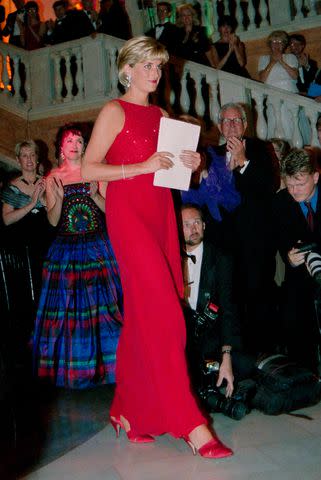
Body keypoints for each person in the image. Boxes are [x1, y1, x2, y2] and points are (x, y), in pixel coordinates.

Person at [81, 36, 233, 458]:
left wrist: (192, 165)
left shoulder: (161, 114)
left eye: (158, 66)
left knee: (143, 317)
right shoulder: (114, 110)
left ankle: (126, 410)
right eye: (147, 64)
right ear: (127, 68)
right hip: (128, 217)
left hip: (161, 213)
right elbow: (87, 168)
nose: (155, 72)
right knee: (167, 313)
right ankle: (190, 423)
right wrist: (141, 166)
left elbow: (171, 178)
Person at [32, 123, 123, 389]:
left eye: (80, 141)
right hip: (66, 251)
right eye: (69, 140)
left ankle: (114, 368)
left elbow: (110, 212)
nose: (75, 144)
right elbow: (52, 220)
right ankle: (77, 373)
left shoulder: (96, 172)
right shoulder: (53, 178)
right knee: (68, 311)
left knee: (106, 310)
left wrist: (95, 195)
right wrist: (57, 199)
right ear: (61, 147)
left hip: (98, 247)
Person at [182, 103, 277, 355]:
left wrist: (244, 162)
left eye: (237, 121)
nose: (232, 125)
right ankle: (233, 357)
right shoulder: (211, 153)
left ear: (245, 124)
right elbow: (202, 194)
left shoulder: (260, 148)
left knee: (258, 301)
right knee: (228, 302)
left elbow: (268, 187)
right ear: (220, 127)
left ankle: (262, 357)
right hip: (223, 242)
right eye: (226, 121)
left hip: (255, 242)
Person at [181, 204, 248, 398]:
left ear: (204, 225)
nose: (193, 229)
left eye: (197, 223)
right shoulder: (171, 256)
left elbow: (228, 309)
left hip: (212, 338)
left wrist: (226, 355)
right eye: (186, 224)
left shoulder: (221, 258)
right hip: (181, 338)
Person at [272, 148, 321, 373]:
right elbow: (282, 241)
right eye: (289, 184)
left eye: (300, 184)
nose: (294, 191)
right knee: (293, 317)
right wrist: (289, 258)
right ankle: (307, 377)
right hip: (300, 277)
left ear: (316, 176)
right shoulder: (282, 201)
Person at [1, 140, 52, 298]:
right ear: (18, 159)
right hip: (24, 249)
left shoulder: (48, 182)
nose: (29, 159)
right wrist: (31, 204)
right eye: (24, 155)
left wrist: (45, 201)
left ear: (37, 158)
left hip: (48, 244)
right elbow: (7, 220)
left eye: (32, 154)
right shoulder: (12, 187)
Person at [258, 30, 299, 141]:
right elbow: (261, 79)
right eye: (274, 41)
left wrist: (281, 61)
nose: (277, 44)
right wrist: (272, 62)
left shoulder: (290, 57)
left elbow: (295, 76)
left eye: (280, 42)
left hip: (289, 95)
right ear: (270, 44)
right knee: (275, 127)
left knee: (290, 126)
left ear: (284, 44)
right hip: (272, 96)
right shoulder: (263, 59)